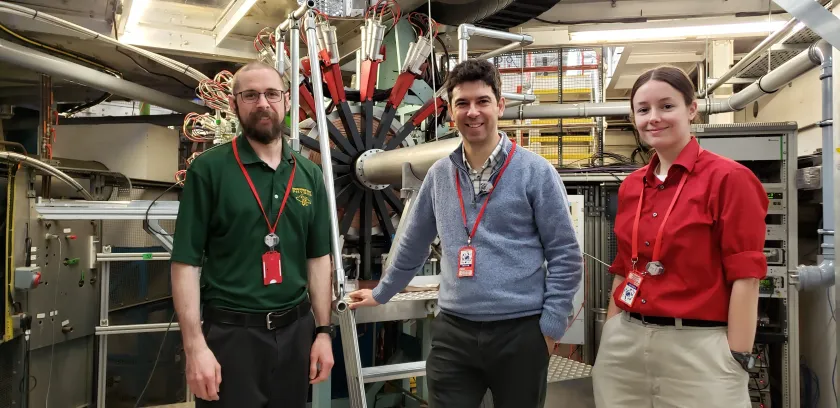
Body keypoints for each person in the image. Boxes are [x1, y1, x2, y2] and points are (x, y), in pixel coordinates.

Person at [347, 58, 583, 408]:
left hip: (519, 332)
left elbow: (565, 255)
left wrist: (550, 326)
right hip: (454, 333)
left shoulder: (536, 172)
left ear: (500, 106)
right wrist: (382, 293)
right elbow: (412, 244)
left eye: (482, 101)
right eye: (462, 103)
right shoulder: (440, 176)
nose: (473, 112)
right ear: (450, 112)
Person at [591, 65, 768, 407]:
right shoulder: (632, 186)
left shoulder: (730, 179)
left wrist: (737, 356)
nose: (653, 118)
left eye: (666, 106)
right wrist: (612, 331)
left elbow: (746, 276)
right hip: (625, 343)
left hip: (699, 347)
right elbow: (624, 266)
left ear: (691, 109)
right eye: (643, 110)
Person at [169, 61, 335, 407]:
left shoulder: (308, 174)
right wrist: (195, 346)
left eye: (272, 94)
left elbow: (319, 258)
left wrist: (323, 332)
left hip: (296, 333)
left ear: (286, 102)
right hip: (232, 337)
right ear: (234, 104)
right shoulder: (209, 170)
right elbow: (186, 263)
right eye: (251, 95)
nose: (263, 103)